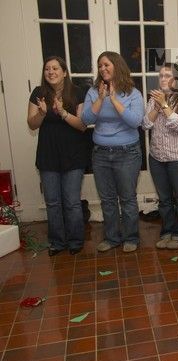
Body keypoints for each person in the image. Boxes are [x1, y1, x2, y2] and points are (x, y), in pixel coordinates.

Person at [82, 51, 144, 253]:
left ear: (117, 66)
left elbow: (135, 121)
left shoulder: (133, 93)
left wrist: (114, 98)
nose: (102, 69)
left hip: (127, 153)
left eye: (106, 65)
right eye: (100, 66)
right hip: (100, 153)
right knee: (107, 199)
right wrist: (100, 99)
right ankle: (111, 238)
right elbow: (86, 119)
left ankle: (131, 238)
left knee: (127, 198)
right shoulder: (93, 92)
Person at [26, 56, 89, 256]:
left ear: (64, 72)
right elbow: (32, 124)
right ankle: (57, 242)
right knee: (52, 202)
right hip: (48, 156)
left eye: (55, 68)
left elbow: (81, 125)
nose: (50, 72)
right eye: (47, 69)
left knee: (71, 202)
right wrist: (43, 113)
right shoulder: (38, 93)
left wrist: (62, 112)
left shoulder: (77, 92)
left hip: (73, 155)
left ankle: (75, 241)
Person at [142, 62, 178, 250]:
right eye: (161, 75)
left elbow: (177, 125)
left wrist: (164, 104)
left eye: (167, 75)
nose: (162, 79)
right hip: (157, 157)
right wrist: (156, 106)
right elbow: (146, 125)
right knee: (164, 199)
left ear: (177, 80)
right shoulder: (152, 99)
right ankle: (167, 231)